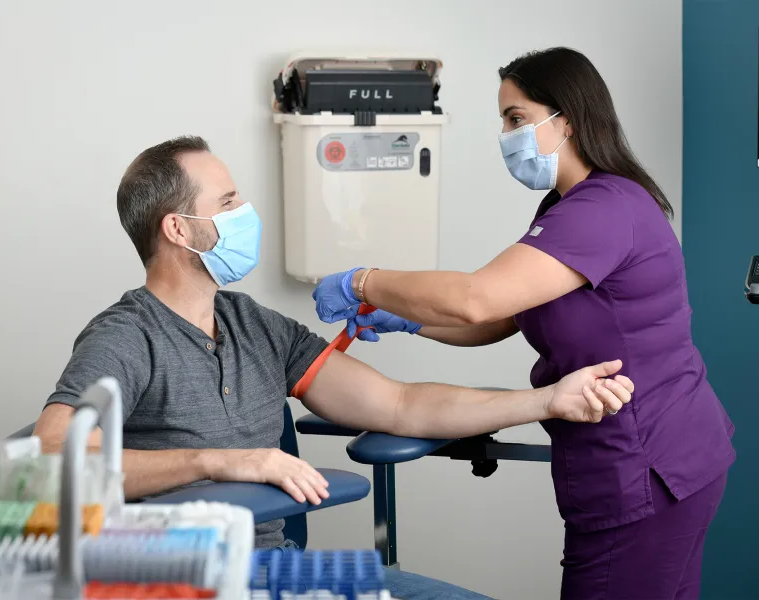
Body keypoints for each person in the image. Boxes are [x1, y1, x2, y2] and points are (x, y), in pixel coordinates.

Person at [32, 135, 633, 600]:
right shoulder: (126, 336)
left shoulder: (253, 325)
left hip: (276, 573)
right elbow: (54, 453)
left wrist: (547, 400)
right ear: (179, 229)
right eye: (228, 201)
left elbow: (400, 405)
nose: (246, 211)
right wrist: (221, 461)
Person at [311, 47, 736, 600]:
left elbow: (474, 299)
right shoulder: (567, 208)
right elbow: (506, 316)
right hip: (661, 453)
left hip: (646, 463)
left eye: (517, 119)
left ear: (569, 120)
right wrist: (408, 320)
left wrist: (365, 281)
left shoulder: (602, 209)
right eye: (503, 121)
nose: (505, 135)